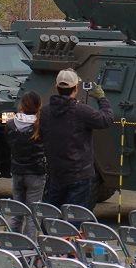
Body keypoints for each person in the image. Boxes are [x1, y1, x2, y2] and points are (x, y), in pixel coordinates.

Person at [39, 69, 113, 209]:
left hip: (55, 173)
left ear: (56, 86)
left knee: (51, 215)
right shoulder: (82, 111)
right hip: (79, 174)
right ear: (76, 88)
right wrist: (102, 98)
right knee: (74, 216)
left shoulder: (45, 111)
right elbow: (106, 119)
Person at [7, 91, 46, 234]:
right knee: (33, 214)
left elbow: (9, 143)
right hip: (36, 172)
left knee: (17, 211)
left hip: (17, 171)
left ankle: (12, 240)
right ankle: (30, 244)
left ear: (22, 105)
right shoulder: (40, 124)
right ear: (39, 105)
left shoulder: (11, 124)